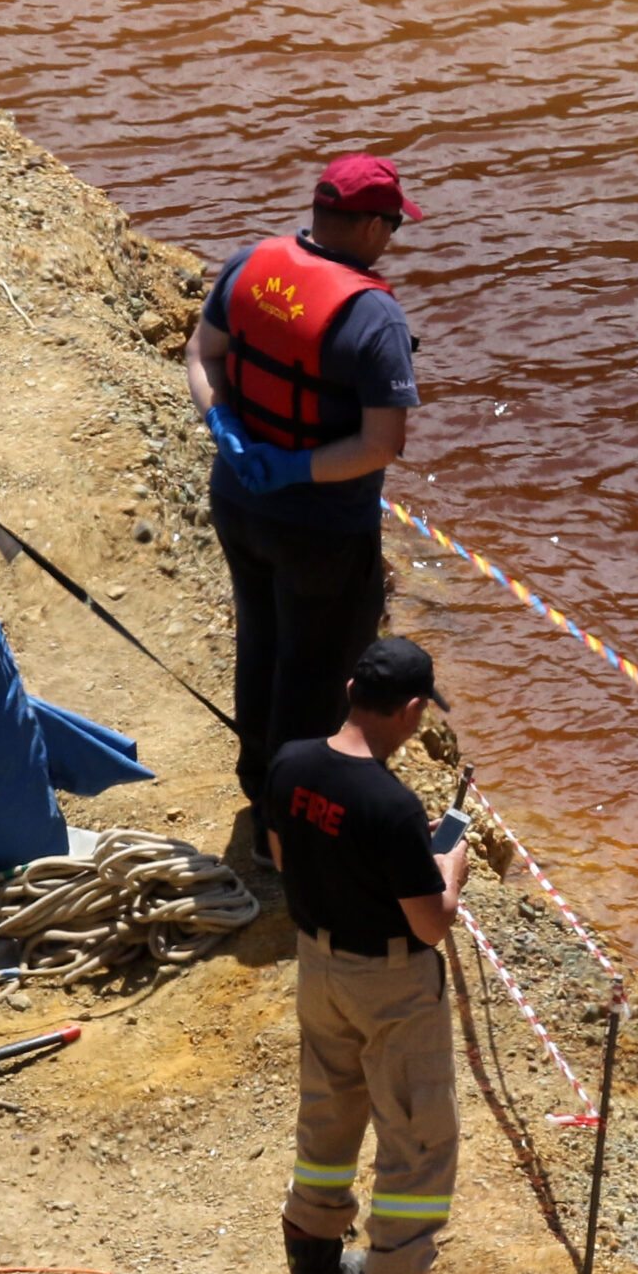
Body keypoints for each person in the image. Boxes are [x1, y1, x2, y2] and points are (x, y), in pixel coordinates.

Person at [268, 635, 491, 1274]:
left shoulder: (290, 763)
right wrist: (447, 865)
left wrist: (387, 863)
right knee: (418, 1141)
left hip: (319, 967)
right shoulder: (391, 805)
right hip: (390, 985)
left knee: (326, 1122)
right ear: (414, 710)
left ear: (349, 686)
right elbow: (431, 922)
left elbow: (283, 854)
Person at [187, 153, 425, 828]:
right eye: (394, 228)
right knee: (317, 668)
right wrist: (295, 469)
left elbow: (201, 353)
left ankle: (257, 778)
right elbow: (379, 444)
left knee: (260, 638)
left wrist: (225, 427)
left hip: (237, 500)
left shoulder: (248, 265)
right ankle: (285, 824)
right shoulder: (374, 317)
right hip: (323, 527)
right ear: (375, 228)